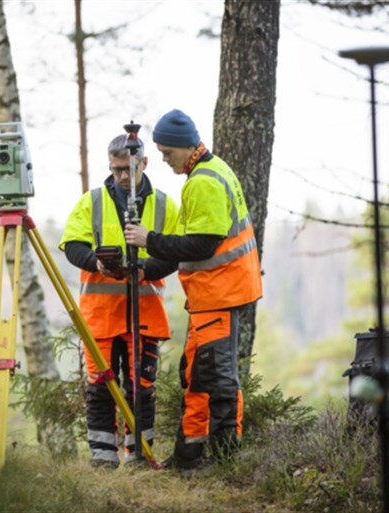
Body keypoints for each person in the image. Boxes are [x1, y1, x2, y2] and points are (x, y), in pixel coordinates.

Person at [124, 109, 262, 469]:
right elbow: (188, 247)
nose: (165, 161)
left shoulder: (203, 182)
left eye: (168, 153)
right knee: (196, 376)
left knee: (217, 378)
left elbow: (201, 245)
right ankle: (189, 457)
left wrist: (148, 239)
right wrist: (146, 270)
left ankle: (223, 460)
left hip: (220, 294)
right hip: (212, 296)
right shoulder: (209, 173)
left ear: (185, 147)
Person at [59, 133, 179, 468]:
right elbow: (72, 245)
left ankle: (139, 454)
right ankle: (103, 458)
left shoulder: (166, 205)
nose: (123, 176)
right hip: (100, 316)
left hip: (146, 315)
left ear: (144, 163)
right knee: (100, 387)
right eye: (116, 169)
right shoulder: (92, 201)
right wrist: (95, 262)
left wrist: (146, 270)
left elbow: (177, 252)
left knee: (142, 388)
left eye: (128, 168)